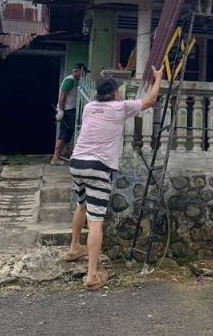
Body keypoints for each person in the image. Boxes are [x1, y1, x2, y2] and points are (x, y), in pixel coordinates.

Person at [63, 66, 164, 290]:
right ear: (115, 93)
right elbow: (150, 101)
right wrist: (157, 79)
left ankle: (74, 247)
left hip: (77, 162)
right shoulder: (120, 107)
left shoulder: (89, 107)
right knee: (96, 220)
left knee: (81, 206)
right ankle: (91, 275)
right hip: (98, 167)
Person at [52, 63, 89, 165]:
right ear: (77, 71)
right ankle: (56, 158)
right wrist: (61, 110)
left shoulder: (75, 81)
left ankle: (57, 157)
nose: (84, 75)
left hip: (70, 110)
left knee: (66, 135)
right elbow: (62, 95)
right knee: (67, 134)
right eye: (83, 72)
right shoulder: (70, 80)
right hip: (68, 111)